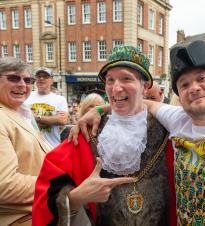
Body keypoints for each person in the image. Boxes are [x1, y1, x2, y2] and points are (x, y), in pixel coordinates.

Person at [70, 37, 205, 225]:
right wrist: (99, 108)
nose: (193, 88)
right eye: (184, 84)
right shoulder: (179, 121)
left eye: (202, 78)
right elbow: (137, 101)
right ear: (179, 97)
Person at [32, 46, 176, 226]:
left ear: (145, 86)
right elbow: (45, 191)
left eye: (126, 78)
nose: (116, 88)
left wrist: (101, 108)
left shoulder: (169, 132)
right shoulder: (87, 132)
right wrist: (75, 198)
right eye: (110, 80)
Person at [0, 57, 52, 226]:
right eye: (14, 78)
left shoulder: (21, 113)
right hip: (22, 219)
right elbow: (4, 185)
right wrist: (59, 184)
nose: (22, 84)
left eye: (28, 80)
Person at [25, 67, 68, 147]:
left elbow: (62, 120)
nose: (41, 78)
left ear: (51, 80)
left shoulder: (60, 99)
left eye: (45, 76)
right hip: (30, 147)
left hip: (52, 146)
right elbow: (22, 117)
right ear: (35, 80)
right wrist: (53, 118)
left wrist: (36, 117)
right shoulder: (27, 96)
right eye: (39, 76)